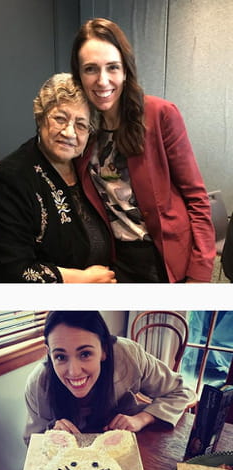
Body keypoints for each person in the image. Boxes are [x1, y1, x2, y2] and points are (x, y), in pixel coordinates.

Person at [71, 18, 215, 283]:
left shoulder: (159, 114)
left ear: (125, 70)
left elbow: (197, 198)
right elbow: (49, 144)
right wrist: (12, 170)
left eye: (112, 67)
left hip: (165, 258)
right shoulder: (82, 126)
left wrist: (199, 275)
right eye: (90, 69)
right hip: (115, 260)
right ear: (79, 75)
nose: (102, 81)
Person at [0, 73, 115, 283]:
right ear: (40, 117)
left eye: (81, 125)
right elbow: (6, 269)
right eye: (60, 118)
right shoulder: (11, 177)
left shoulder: (90, 169)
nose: (69, 132)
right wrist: (81, 280)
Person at [23, 310, 196, 444]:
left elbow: (181, 391)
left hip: (127, 449)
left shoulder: (128, 355)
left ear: (104, 349)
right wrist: (51, 434)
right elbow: (32, 441)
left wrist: (141, 419)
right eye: (60, 357)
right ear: (49, 353)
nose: (74, 372)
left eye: (85, 354)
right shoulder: (38, 384)